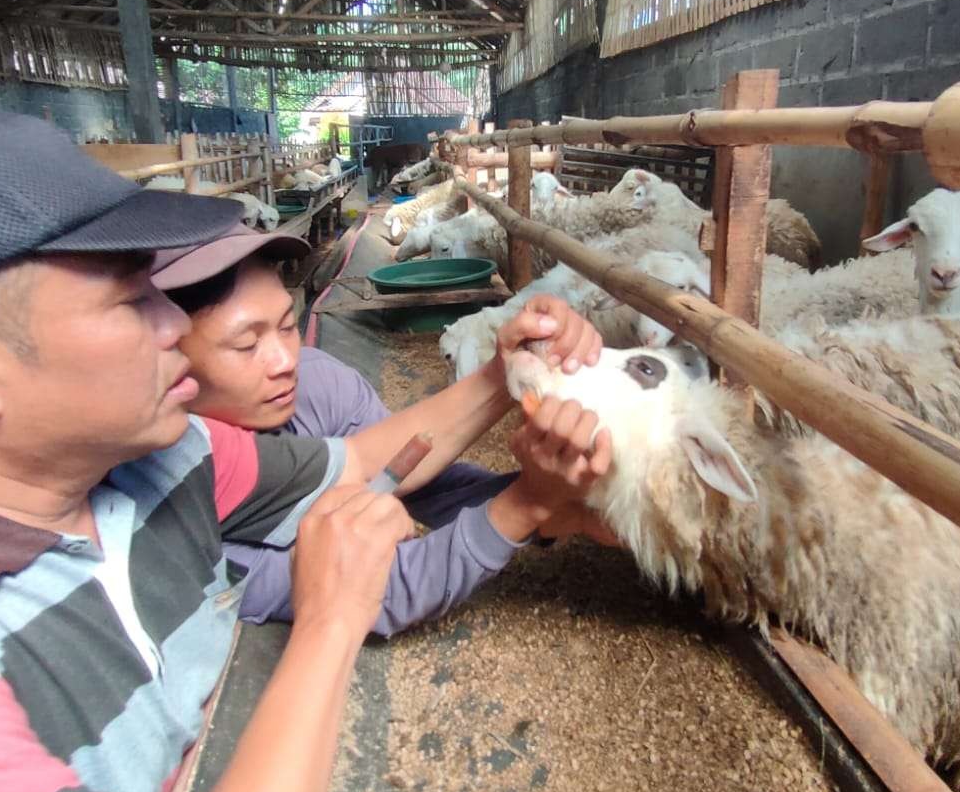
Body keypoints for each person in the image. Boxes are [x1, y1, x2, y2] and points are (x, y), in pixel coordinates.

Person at [0, 110, 608, 792]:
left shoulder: (162, 457)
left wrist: (510, 367)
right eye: (132, 300)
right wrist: (328, 623)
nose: (174, 329)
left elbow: (361, 461)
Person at [151, 226, 617, 637]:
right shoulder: (174, 508)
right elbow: (371, 591)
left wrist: (566, 509)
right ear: (165, 358)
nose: (284, 361)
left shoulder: (318, 384)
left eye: (289, 326)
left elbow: (412, 482)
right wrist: (529, 504)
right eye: (248, 344)